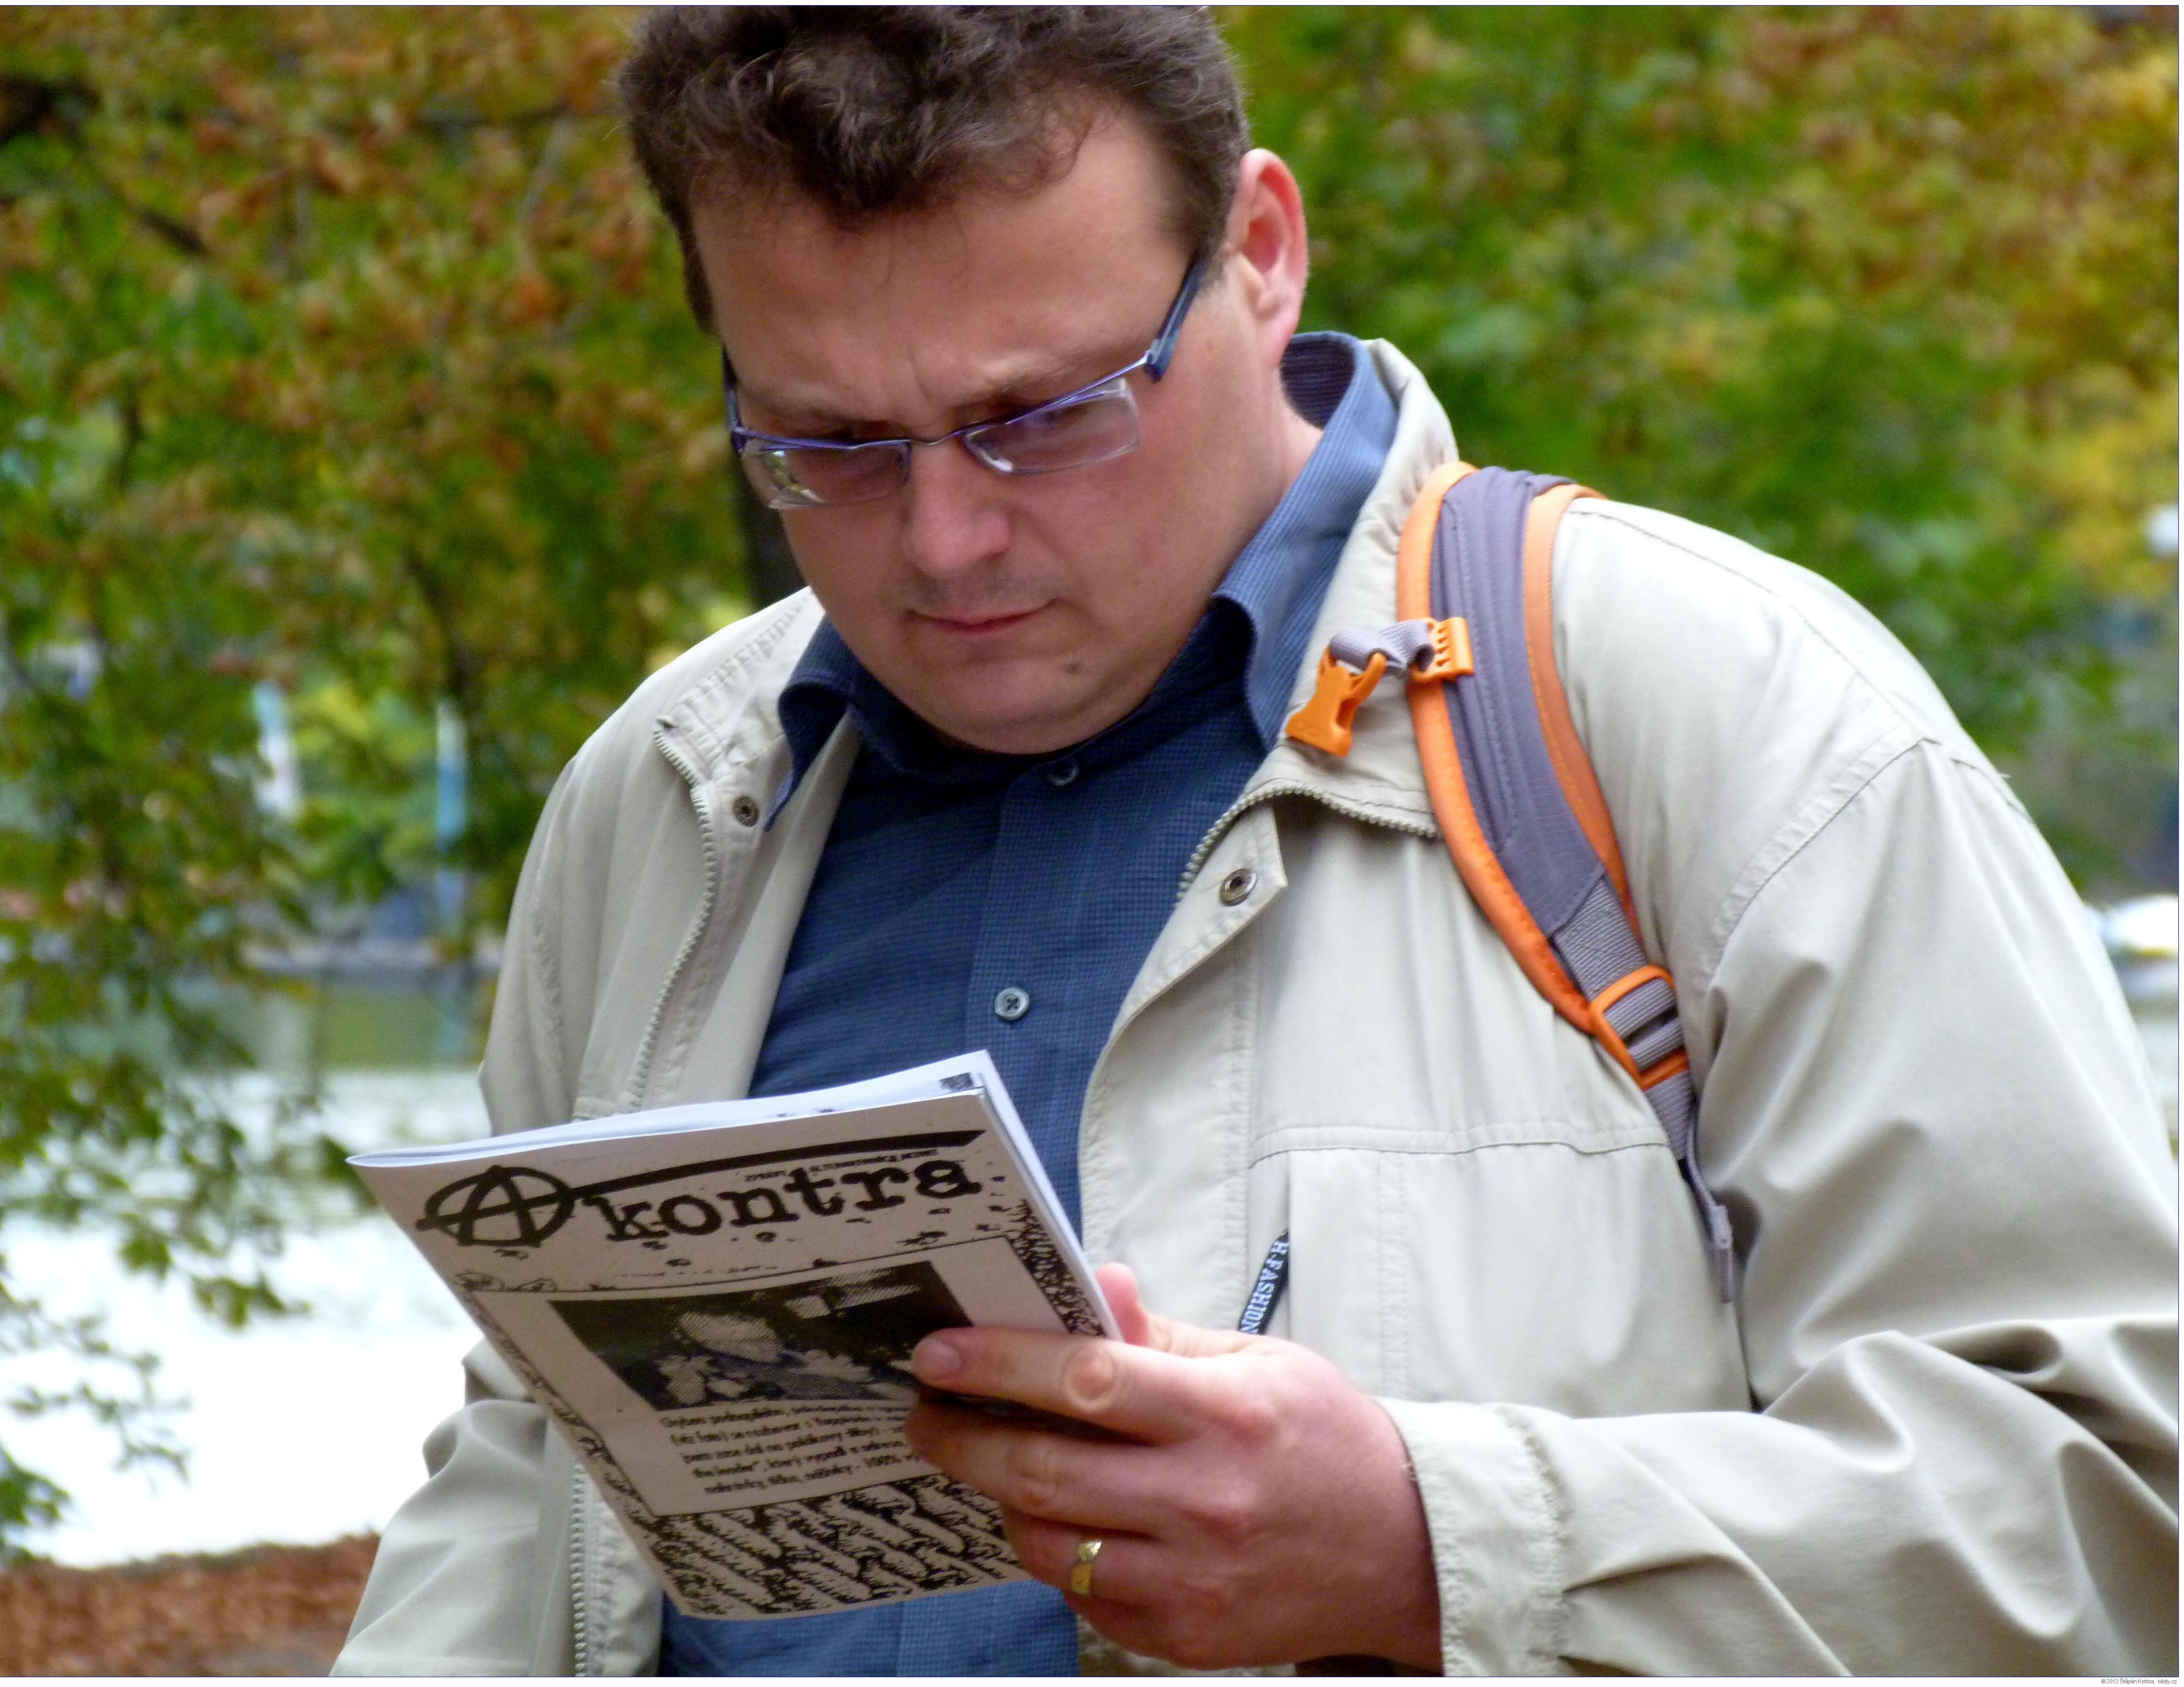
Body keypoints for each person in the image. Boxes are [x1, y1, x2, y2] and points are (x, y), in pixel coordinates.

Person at [333, 8, 2178, 1677]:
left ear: (1261, 253)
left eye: (1039, 416)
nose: (943, 542)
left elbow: (2104, 1522)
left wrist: (1431, 1552)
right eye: (827, 444)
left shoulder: (1725, 710)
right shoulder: (663, 794)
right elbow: (530, 1478)